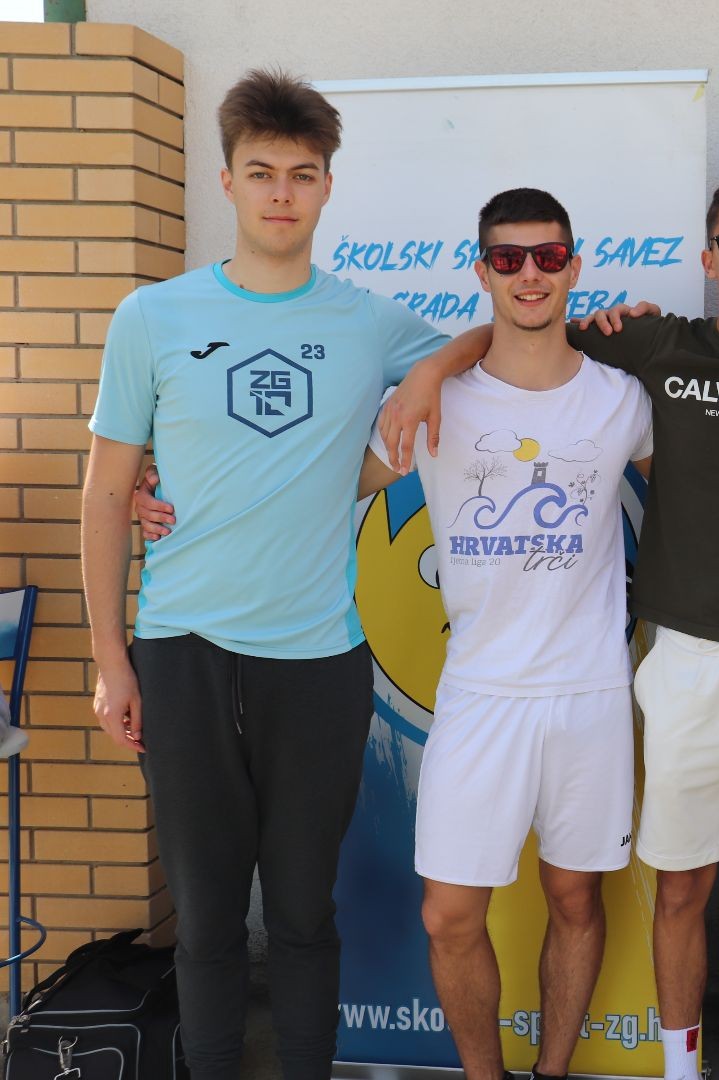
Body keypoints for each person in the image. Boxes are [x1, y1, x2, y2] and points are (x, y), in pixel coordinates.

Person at [369, 173, 719, 1080]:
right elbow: (325, 482)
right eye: (509, 260)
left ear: (574, 266)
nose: (530, 274)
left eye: (548, 257)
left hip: (607, 686)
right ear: (482, 269)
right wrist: (174, 491)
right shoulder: (451, 394)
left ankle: (555, 1073)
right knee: (453, 912)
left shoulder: (635, 391)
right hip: (492, 689)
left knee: (581, 900)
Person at [80, 70, 450, 1079]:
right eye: (261, 173)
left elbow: (485, 349)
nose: (281, 193)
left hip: (319, 660)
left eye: (301, 174)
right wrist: (112, 660)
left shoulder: (367, 321)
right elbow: (106, 494)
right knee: (205, 922)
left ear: (327, 186)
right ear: (227, 182)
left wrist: (426, 372)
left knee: (301, 913)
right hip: (183, 655)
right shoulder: (153, 317)